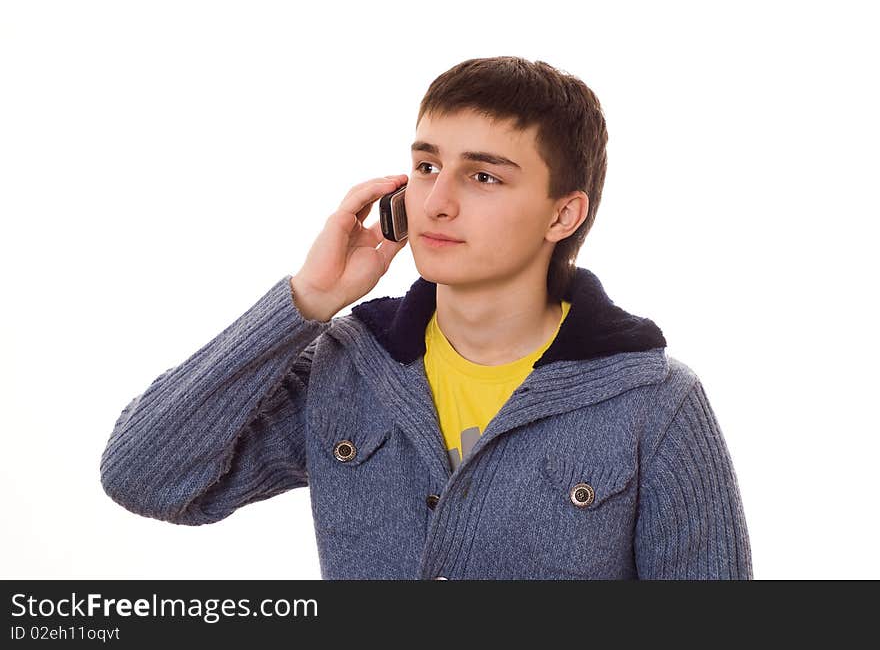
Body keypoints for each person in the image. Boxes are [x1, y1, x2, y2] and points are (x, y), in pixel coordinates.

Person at [100, 56, 753, 579]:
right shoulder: (350, 369)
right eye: (427, 166)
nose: (436, 203)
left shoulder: (654, 402)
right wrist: (305, 301)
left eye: (483, 177)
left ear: (563, 214)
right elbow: (144, 477)